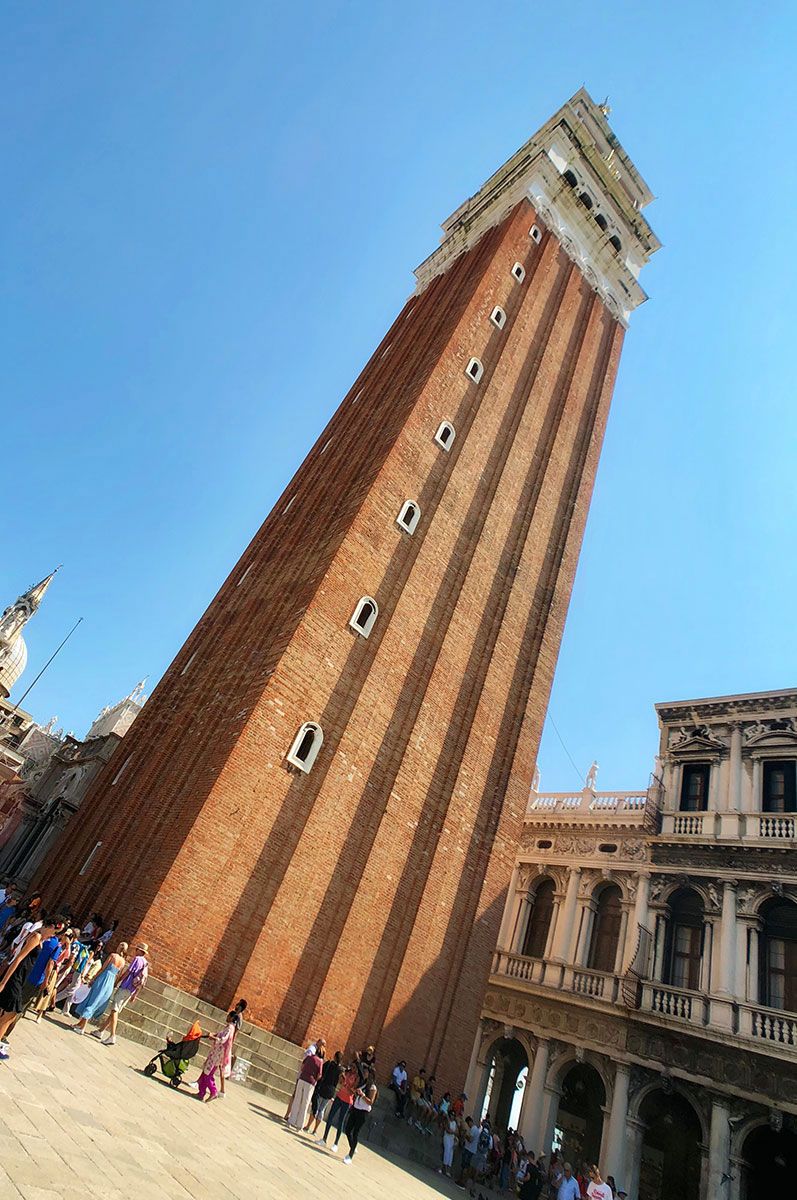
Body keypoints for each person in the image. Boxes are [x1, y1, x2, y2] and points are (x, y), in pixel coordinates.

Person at [90, 941, 149, 1046]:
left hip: (125, 986)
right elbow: (143, 980)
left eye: (136, 949)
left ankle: (112, 1035)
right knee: (116, 1010)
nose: (135, 951)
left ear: (140, 951)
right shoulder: (145, 963)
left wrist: (118, 981)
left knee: (114, 1010)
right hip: (132, 990)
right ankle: (101, 1031)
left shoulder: (137, 959)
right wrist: (135, 994)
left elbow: (128, 972)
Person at [71, 941, 128, 1033]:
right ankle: (80, 1024)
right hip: (110, 983)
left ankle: (82, 1027)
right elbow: (118, 976)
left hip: (103, 979)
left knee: (92, 1000)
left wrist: (93, 978)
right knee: (97, 1001)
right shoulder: (123, 962)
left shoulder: (113, 956)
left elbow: (102, 968)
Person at [320, 1058, 359, 1152]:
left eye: (354, 1067)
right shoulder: (347, 1073)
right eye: (352, 1066)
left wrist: (346, 1084)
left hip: (347, 1100)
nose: (352, 1068)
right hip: (339, 1096)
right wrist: (342, 1079)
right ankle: (324, 1138)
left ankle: (336, 1143)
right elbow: (340, 1083)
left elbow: (353, 1091)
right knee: (330, 1116)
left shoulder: (357, 1077)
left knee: (340, 1121)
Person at [196, 1011, 236, 1101]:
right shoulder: (228, 1027)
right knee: (206, 1072)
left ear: (231, 1017)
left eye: (228, 1016)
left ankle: (213, 1092)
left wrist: (213, 1037)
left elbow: (223, 1040)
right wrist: (213, 1035)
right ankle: (201, 1093)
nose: (227, 1017)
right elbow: (220, 1035)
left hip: (217, 1055)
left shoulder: (230, 1028)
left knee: (208, 1074)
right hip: (215, 1053)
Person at [284, 1035, 324, 1120]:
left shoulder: (316, 1052)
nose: (323, 1047)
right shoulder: (312, 1050)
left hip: (306, 1077)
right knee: (296, 1095)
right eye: (322, 1045)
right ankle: (288, 1114)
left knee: (300, 1097)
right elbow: (306, 1061)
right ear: (319, 1043)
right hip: (304, 1076)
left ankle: (292, 1116)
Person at [343, 1067, 377, 1164]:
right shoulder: (363, 1084)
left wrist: (362, 1095)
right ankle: (353, 1146)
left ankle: (350, 1154)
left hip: (363, 1112)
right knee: (347, 1129)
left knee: (355, 1132)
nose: (364, 1074)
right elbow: (355, 1092)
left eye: (366, 1072)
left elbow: (370, 1102)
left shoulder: (372, 1087)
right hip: (356, 1108)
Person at [305, 1049, 343, 1133]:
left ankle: (308, 1126)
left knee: (316, 1107)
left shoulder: (329, 1064)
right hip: (331, 1091)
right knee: (322, 1110)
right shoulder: (340, 1069)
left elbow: (321, 1072)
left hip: (323, 1087)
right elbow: (341, 1081)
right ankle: (315, 1130)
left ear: (334, 1056)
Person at [437, 1109, 459, 1178]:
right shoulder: (447, 1121)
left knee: (451, 1153)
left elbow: (457, 1132)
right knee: (447, 1150)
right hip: (447, 1137)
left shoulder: (455, 1123)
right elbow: (448, 1129)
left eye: (453, 1115)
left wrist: (455, 1135)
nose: (452, 1116)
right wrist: (447, 1118)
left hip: (452, 1138)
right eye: (451, 1115)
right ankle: (444, 1168)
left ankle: (448, 1170)